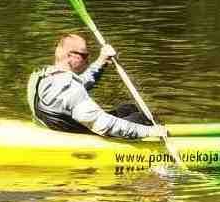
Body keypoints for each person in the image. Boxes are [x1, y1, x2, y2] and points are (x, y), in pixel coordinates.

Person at [28, 33, 166, 140]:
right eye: (84, 56)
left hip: (54, 128)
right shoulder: (70, 89)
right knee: (142, 118)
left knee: (128, 108)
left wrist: (101, 61)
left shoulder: (42, 74)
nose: (88, 60)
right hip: (80, 136)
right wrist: (151, 131)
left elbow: (78, 85)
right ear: (70, 56)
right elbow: (104, 125)